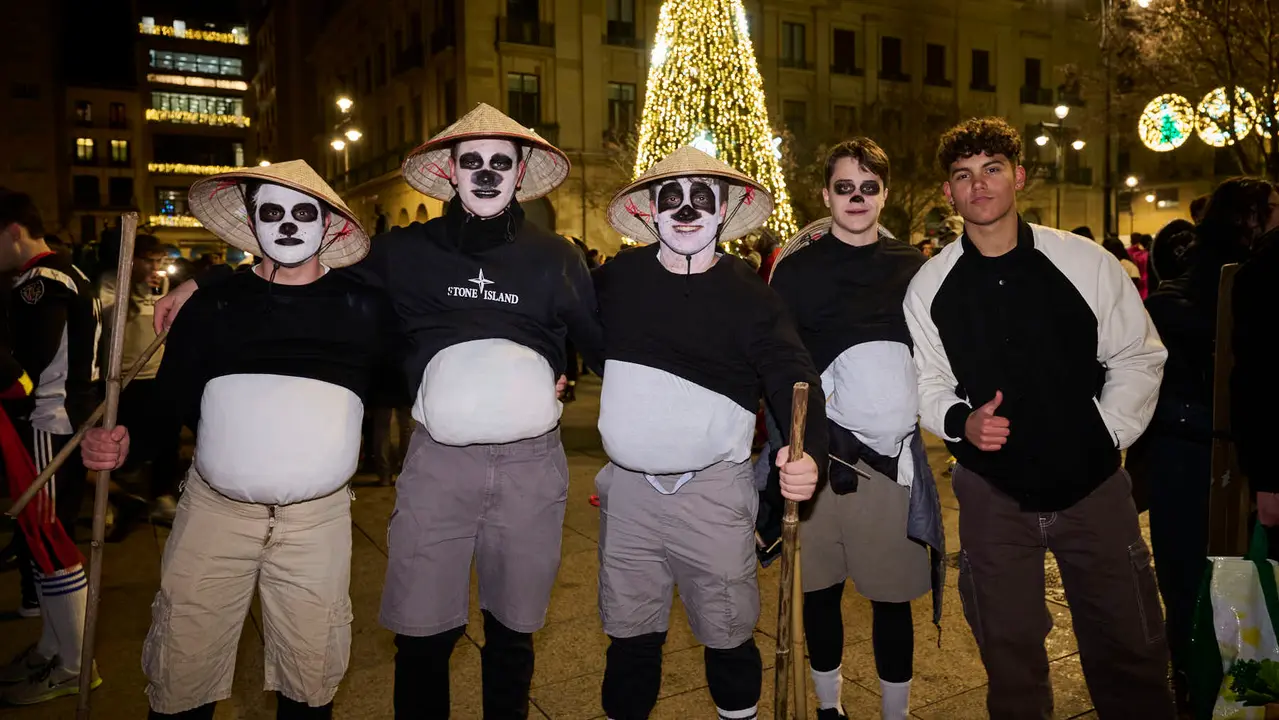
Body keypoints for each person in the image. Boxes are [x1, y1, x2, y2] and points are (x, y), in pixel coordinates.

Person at [152, 103, 601, 717]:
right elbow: (305, 271)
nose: (489, 173)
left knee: (513, 629)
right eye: (474, 161)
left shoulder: (558, 256)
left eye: (502, 162)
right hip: (438, 460)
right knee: (423, 633)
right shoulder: (400, 252)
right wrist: (202, 283)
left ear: (521, 172)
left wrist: (569, 380)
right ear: (450, 171)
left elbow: (603, 343)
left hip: (531, 463)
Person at [82, 162, 383, 719]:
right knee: (181, 678)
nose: (288, 225)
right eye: (271, 212)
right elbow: (169, 400)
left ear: (328, 224)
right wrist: (125, 442)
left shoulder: (365, 307)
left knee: (310, 681)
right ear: (251, 222)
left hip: (315, 527)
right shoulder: (214, 305)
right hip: (213, 518)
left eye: (303, 212)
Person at [903, 117, 1173, 718]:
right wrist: (958, 421)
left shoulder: (1084, 262)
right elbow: (926, 380)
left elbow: (1138, 353)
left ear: (1018, 176)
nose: (980, 185)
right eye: (964, 175)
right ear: (949, 191)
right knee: (1010, 661)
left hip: (1093, 488)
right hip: (993, 496)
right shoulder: (929, 287)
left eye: (992, 169)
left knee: (1130, 649)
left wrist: (1103, 431)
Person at [594, 146, 825, 720]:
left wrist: (808, 455)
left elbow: (793, 377)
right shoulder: (614, 281)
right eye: (672, 196)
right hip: (628, 497)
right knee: (629, 640)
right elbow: (558, 327)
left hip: (714, 494)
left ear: (725, 208)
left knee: (728, 636)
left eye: (703, 196)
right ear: (650, 209)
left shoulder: (751, 295)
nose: (687, 209)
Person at [768, 139, 944, 720]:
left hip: (890, 466)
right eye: (845, 187)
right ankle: (829, 708)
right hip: (818, 464)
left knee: (893, 601)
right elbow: (776, 362)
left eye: (869, 188)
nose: (857, 198)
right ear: (826, 194)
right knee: (819, 594)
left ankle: (896, 713)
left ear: (884, 195)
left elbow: (937, 357)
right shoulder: (795, 273)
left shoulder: (912, 269)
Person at [1136, 176, 1278, 709]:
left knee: (1233, 582)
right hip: (1194, 454)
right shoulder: (1194, 296)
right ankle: (1201, 686)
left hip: (1219, 453)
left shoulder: (1245, 281)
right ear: (1248, 219)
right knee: (1195, 580)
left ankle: (1230, 689)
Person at [0, 189, 103, 704]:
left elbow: (29, 366)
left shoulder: (41, 281)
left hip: (48, 419)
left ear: (13, 230)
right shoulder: (64, 273)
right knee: (44, 541)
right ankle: (53, 643)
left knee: (50, 543)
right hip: (60, 418)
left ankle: (73, 663)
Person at [97, 232, 181, 533]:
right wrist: (131, 292)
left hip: (157, 373)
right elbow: (109, 320)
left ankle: (161, 496)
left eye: (161, 262)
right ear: (132, 260)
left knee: (166, 438)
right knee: (121, 439)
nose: (156, 268)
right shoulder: (111, 281)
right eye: (151, 261)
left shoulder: (164, 284)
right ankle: (121, 498)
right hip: (123, 376)